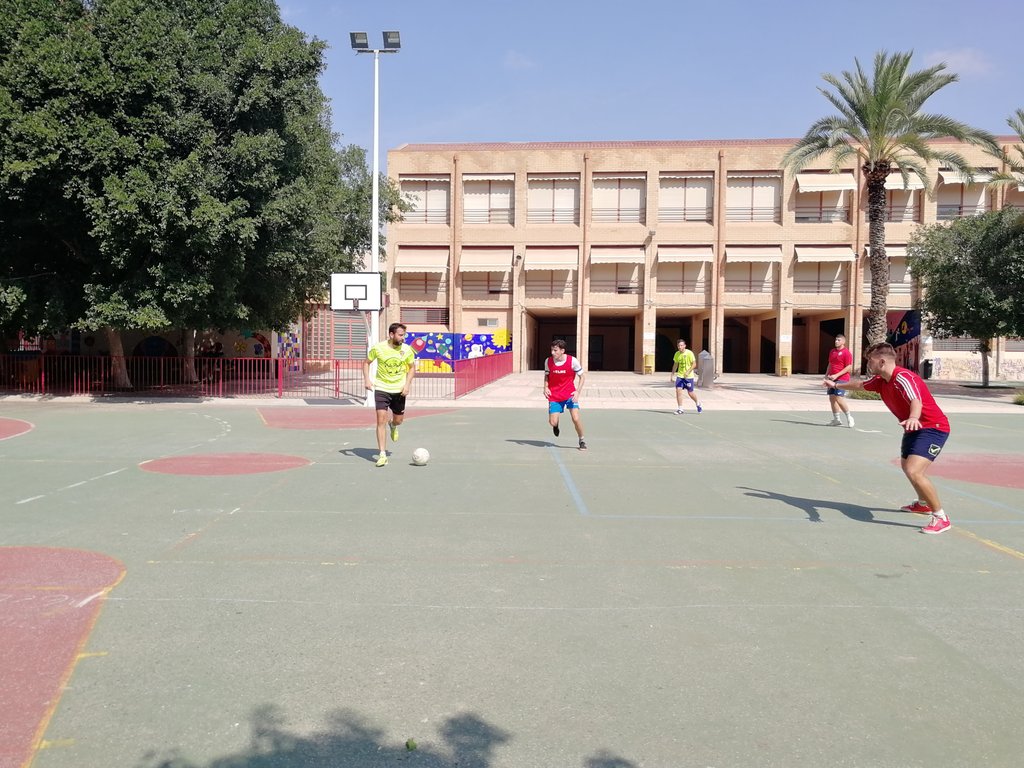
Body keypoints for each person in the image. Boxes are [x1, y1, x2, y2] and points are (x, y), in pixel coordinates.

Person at [824, 342, 952, 535]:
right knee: (906, 466)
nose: (868, 364)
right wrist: (836, 384)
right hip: (912, 428)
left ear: (882, 361)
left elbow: (915, 399)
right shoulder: (881, 380)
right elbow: (860, 385)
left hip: (933, 428)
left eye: (870, 360)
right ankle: (923, 503)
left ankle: (941, 517)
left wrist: (914, 417)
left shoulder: (904, 377)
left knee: (914, 470)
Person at [363, 322, 416, 467]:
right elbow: (366, 363)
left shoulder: (407, 350)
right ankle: (382, 454)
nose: (403, 338)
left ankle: (393, 425)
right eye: (400, 335)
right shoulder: (378, 348)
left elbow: (412, 368)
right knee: (380, 420)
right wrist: (367, 379)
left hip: (399, 390)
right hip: (382, 388)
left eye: (404, 335)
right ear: (391, 334)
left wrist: (407, 385)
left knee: (398, 420)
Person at [544, 339, 587, 450]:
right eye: (551, 350)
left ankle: (582, 440)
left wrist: (577, 392)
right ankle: (556, 424)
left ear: (562, 350)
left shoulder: (572, 361)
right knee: (552, 422)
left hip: (570, 395)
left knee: (576, 418)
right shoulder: (548, 361)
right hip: (554, 396)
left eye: (555, 350)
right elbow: (547, 376)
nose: (552, 353)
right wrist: (545, 387)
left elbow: (582, 377)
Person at [825, 334, 854, 428]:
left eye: (838, 340)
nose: (836, 341)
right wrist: (826, 377)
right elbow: (830, 364)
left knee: (838, 397)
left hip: (842, 378)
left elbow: (849, 367)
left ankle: (849, 417)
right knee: (832, 398)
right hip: (831, 378)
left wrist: (836, 375)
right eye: (835, 340)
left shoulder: (846, 353)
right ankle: (836, 419)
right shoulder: (832, 351)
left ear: (843, 342)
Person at [670, 339, 703, 414]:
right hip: (680, 376)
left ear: (684, 346)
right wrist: (672, 374)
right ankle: (680, 409)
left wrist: (688, 371)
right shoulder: (677, 354)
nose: (680, 347)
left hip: (688, 377)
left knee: (690, 393)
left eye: (681, 345)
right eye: (678, 346)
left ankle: (698, 403)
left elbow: (694, 364)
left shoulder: (689, 353)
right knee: (678, 391)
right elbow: (675, 365)